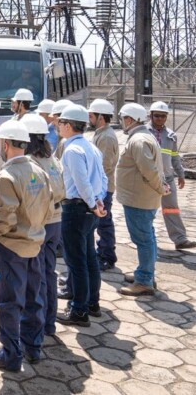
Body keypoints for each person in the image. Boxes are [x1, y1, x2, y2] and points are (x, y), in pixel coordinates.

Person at [0, 120, 53, 372]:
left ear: (6, 144)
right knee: (34, 297)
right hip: (35, 243)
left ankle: (10, 355)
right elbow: (49, 205)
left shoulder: (7, 176)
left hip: (11, 248)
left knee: (9, 303)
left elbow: (4, 217)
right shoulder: (38, 171)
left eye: (0, 143)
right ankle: (33, 348)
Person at [54, 105, 108, 327]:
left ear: (67, 125)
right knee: (88, 259)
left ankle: (79, 311)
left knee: (77, 262)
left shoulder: (72, 150)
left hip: (77, 209)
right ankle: (92, 303)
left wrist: (93, 202)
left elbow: (81, 182)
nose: (58, 127)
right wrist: (98, 200)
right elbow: (103, 179)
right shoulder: (91, 147)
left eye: (60, 123)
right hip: (89, 208)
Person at [20, 113, 65, 338]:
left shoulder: (30, 164)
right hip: (55, 222)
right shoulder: (52, 158)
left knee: (35, 277)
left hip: (39, 224)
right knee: (49, 272)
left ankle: (34, 330)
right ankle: (49, 323)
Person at [117, 103, 169, 296]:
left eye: (123, 119)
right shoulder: (143, 137)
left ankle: (144, 280)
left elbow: (149, 170)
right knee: (148, 237)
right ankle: (145, 273)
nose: (122, 122)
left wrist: (161, 188)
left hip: (139, 199)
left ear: (129, 119)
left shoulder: (138, 140)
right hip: (141, 198)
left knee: (144, 240)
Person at [147, 101, 196, 249]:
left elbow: (175, 156)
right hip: (148, 179)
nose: (160, 119)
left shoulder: (171, 136)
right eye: (157, 116)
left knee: (171, 208)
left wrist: (180, 174)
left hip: (167, 178)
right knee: (147, 210)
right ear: (151, 115)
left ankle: (180, 239)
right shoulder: (144, 133)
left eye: (163, 116)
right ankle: (146, 239)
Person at [88, 99, 120, 271]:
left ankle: (107, 256)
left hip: (103, 188)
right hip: (100, 186)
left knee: (104, 222)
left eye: (91, 116)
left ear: (101, 117)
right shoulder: (101, 133)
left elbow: (105, 165)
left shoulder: (106, 137)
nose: (89, 119)